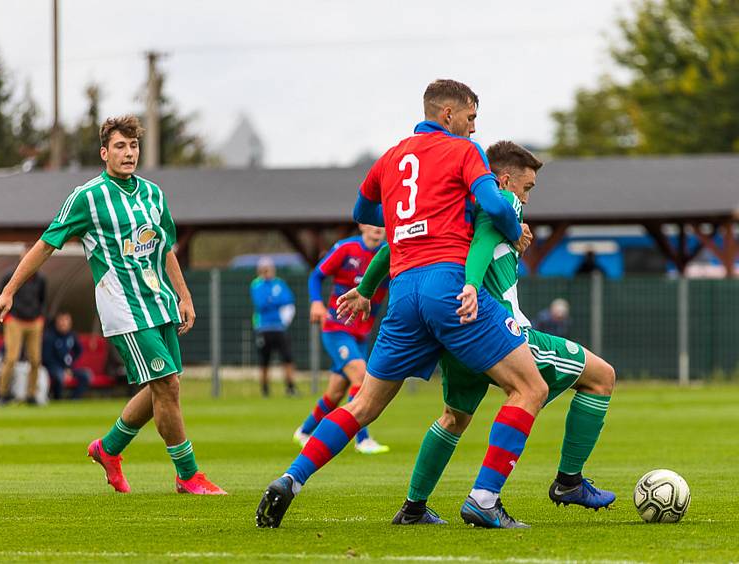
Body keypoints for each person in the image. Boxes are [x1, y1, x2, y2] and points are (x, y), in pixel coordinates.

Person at [256, 79, 545, 529]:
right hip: (448, 286)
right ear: (448, 115)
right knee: (530, 388)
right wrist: (512, 224)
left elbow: (363, 212)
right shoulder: (463, 153)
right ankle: (485, 499)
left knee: (362, 406)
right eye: (470, 119)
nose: (473, 130)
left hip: (402, 292)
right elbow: (494, 203)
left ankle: (290, 480)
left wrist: (407, 220)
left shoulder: (390, 158)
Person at [340, 141, 616, 525]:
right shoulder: (505, 204)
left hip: (457, 336)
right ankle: (560, 482)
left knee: (454, 417)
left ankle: (413, 507)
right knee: (599, 377)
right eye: (527, 187)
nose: (527, 198)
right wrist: (493, 251)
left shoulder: (453, 211)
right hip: (502, 331)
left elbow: (393, 247)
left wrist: (367, 289)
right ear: (503, 180)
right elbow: (488, 240)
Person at [0, 115, 225, 495]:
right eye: (120, 146)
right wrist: (9, 290)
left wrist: (184, 295)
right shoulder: (88, 197)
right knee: (168, 385)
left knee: (163, 387)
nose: (128, 153)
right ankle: (188, 475)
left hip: (159, 301)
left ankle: (108, 448)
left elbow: (166, 249)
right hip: (124, 306)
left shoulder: (153, 194)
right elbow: (47, 243)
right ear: (104, 153)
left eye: (133, 146)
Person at [294, 224, 389, 455]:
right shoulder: (346, 249)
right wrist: (316, 302)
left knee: (335, 393)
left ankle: (305, 431)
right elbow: (317, 276)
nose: (377, 228)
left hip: (360, 333)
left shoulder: (391, 252)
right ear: (361, 225)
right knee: (361, 377)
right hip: (337, 328)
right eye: (372, 222)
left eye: (382, 223)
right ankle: (362, 439)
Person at [0, 250, 46, 405]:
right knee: (11, 358)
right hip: (14, 320)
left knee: (36, 360)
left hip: (34, 321)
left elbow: (43, 300)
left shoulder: (41, 279)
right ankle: (2, 393)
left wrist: (41, 317)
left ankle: (31, 395)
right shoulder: (9, 275)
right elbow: (1, 296)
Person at [250, 257, 298, 397]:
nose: (267, 271)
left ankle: (290, 387)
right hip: (263, 328)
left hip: (279, 327)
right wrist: (275, 301)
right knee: (264, 361)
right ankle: (265, 390)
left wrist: (272, 300)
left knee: (287, 358)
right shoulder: (256, 284)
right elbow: (261, 303)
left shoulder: (280, 283)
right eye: (264, 269)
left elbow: (288, 300)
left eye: (269, 268)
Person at [42, 311, 92, 400]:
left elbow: (79, 350)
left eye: (66, 320)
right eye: (62, 320)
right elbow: (47, 358)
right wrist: (62, 370)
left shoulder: (72, 336)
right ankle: (58, 399)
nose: (64, 323)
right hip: (53, 368)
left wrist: (69, 367)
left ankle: (74, 399)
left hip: (69, 369)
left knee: (86, 375)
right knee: (59, 376)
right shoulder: (49, 337)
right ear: (57, 322)